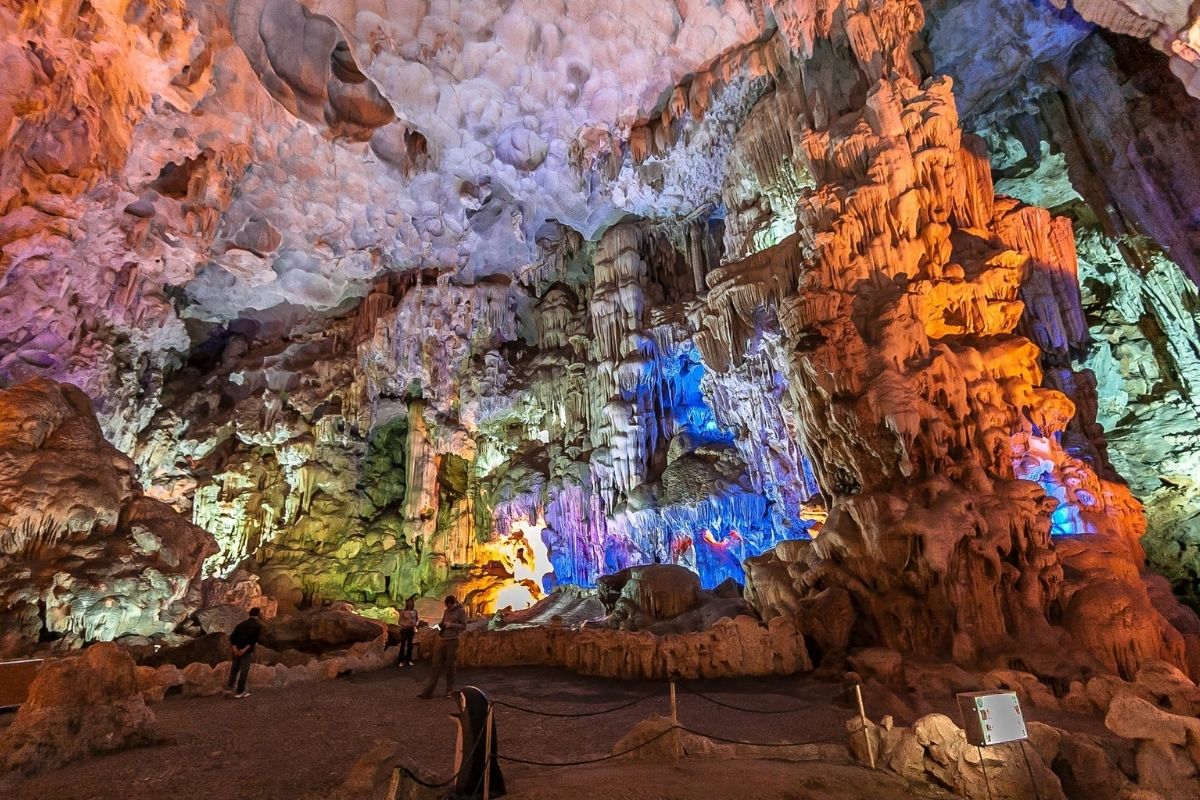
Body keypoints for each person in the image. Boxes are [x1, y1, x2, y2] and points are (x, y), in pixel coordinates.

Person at [417, 595, 467, 699]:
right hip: (442, 639)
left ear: (454, 602)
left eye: (450, 605)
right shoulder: (446, 611)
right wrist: (443, 625)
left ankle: (450, 690)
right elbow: (444, 621)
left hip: (452, 640)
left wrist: (451, 625)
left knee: (450, 666)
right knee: (435, 665)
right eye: (447, 605)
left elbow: (464, 626)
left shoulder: (461, 611)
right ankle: (428, 691)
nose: (449, 607)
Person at [226, 607, 263, 699]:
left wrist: (235, 648)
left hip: (236, 650)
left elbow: (233, 637)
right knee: (244, 671)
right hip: (246, 652)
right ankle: (240, 691)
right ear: (258, 615)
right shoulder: (257, 626)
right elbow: (253, 640)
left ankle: (229, 688)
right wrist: (244, 650)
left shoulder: (241, 624)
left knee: (234, 669)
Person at [396, 598, 418, 667]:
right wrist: (404, 624)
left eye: (411, 602)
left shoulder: (415, 611)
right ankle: (400, 660)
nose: (410, 603)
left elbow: (417, 619)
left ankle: (409, 660)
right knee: (403, 644)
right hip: (404, 629)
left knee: (410, 644)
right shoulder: (403, 612)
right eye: (408, 602)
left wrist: (416, 624)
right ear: (406, 603)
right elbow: (399, 621)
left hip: (411, 629)